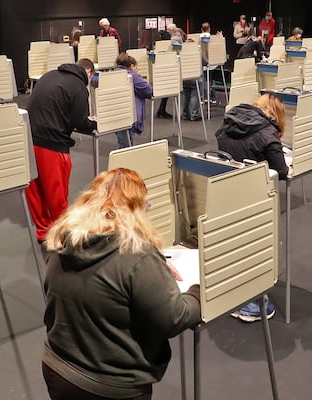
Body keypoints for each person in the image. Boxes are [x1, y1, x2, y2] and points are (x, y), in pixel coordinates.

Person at [42, 167, 201, 400]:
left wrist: (151, 271)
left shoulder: (62, 241)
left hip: (59, 370)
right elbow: (174, 318)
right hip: (113, 385)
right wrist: (198, 291)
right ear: (136, 210)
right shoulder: (137, 255)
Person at [215, 93, 286, 321]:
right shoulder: (268, 132)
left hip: (225, 191)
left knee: (233, 243)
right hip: (254, 196)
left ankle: (231, 294)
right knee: (256, 244)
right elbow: (281, 171)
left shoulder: (229, 120)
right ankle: (252, 305)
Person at [25, 58, 98, 244]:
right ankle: (62, 235)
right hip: (52, 144)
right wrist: (93, 123)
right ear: (89, 73)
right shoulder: (79, 86)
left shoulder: (49, 75)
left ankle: (43, 231)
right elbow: (81, 121)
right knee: (56, 193)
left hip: (27, 138)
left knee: (35, 190)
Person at [114, 53, 153, 149]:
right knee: (126, 146)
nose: (137, 70)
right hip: (130, 116)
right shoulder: (133, 77)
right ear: (131, 66)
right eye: (136, 67)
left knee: (123, 143)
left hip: (117, 115)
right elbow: (149, 91)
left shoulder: (113, 74)